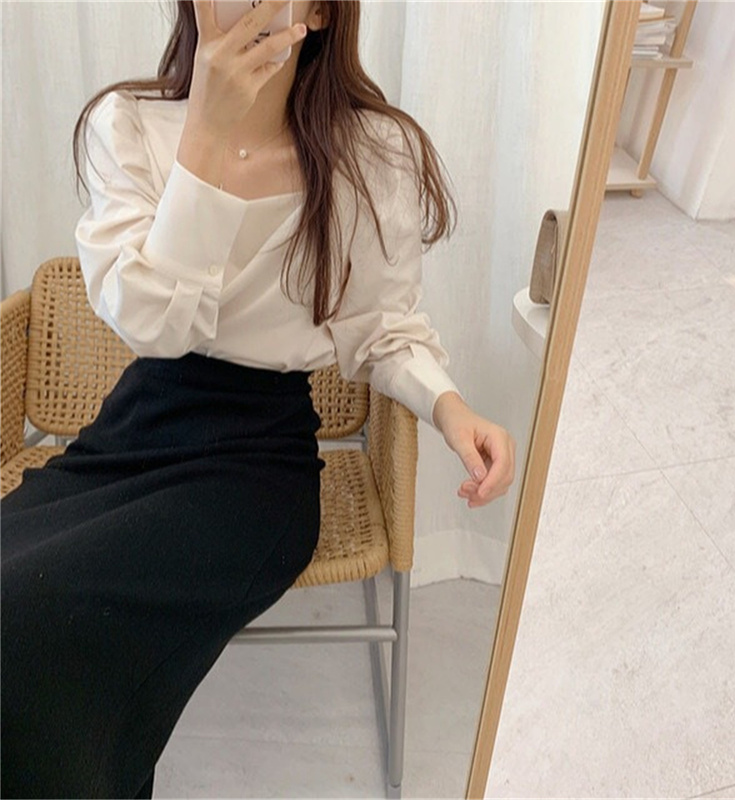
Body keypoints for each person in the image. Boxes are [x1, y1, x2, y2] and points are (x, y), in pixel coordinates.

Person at [0, 1, 515, 796]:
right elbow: (153, 326)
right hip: (135, 425)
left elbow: (383, 328)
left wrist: (453, 409)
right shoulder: (128, 126)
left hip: (259, 460)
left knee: (25, 624)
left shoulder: (375, 153)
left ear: (319, 10)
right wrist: (206, 136)